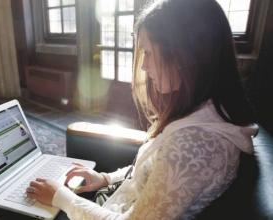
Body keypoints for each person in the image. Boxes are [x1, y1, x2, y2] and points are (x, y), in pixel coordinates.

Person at [25, 0, 258, 219]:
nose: (144, 66)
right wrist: (105, 178)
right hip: (115, 199)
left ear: (183, 55)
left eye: (148, 52)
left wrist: (60, 198)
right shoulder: (202, 111)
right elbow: (149, 173)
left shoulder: (194, 146)